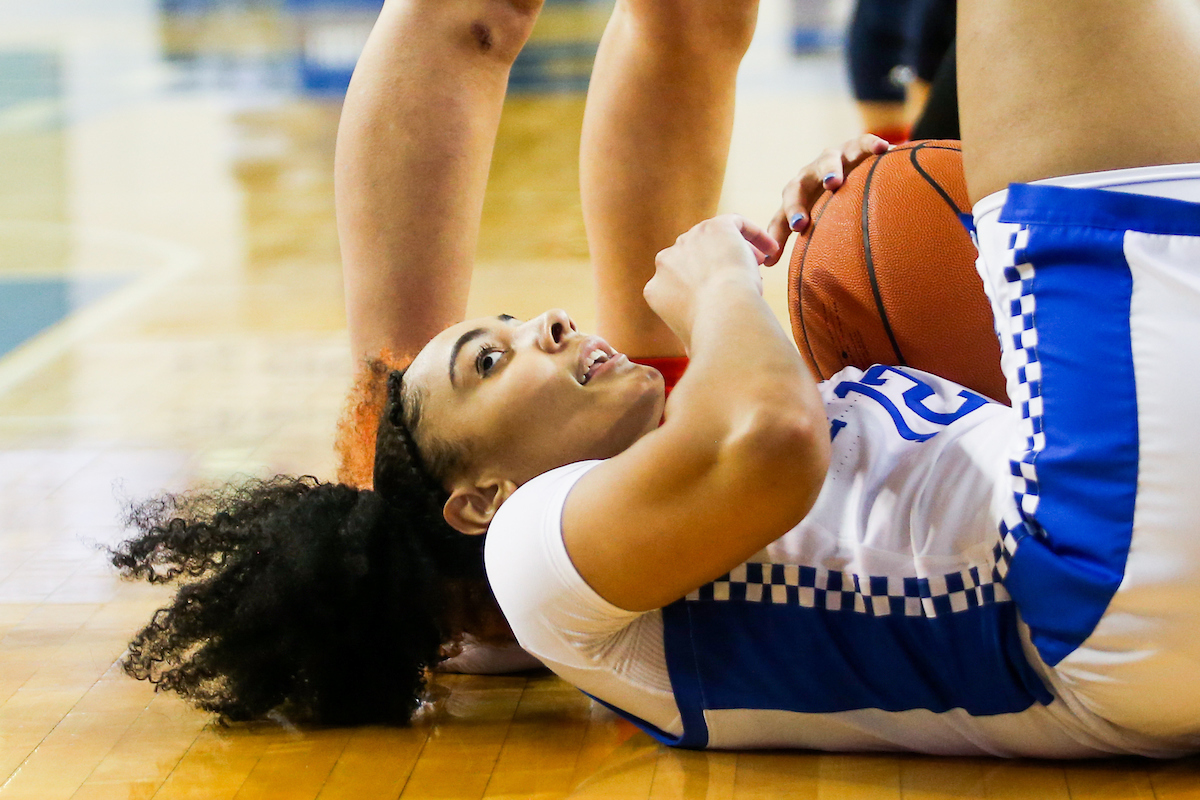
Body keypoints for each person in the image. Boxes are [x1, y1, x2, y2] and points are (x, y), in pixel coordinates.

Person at [115, 0, 1200, 760]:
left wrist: (825, 237)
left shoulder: (666, 546)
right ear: (478, 499)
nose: (543, 317)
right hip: (1088, 592)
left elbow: (792, 441)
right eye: (488, 358)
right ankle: (418, 538)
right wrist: (722, 281)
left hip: (1106, 594)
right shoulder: (535, 554)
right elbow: (772, 439)